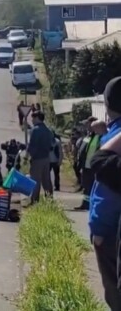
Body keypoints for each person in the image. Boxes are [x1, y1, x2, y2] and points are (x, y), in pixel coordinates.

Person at [87, 77, 121, 310]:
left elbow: (107, 190)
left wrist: (99, 230)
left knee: (115, 295)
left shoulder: (115, 142)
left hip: (110, 233)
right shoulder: (112, 132)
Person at [75, 120, 107, 211]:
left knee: (95, 187)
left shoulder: (104, 137)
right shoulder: (91, 136)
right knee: (86, 186)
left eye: (94, 127)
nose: (91, 129)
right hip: (87, 166)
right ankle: (85, 204)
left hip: (96, 167)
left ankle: (93, 205)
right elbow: (84, 151)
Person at [27, 110, 55, 203]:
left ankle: (34, 201)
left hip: (37, 158)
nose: (32, 120)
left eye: (33, 118)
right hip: (46, 158)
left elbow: (32, 145)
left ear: (37, 118)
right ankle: (49, 200)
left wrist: (28, 157)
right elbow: (52, 144)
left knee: (35, 180)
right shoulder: (48, 130)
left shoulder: (35, 130)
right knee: (46, 180)